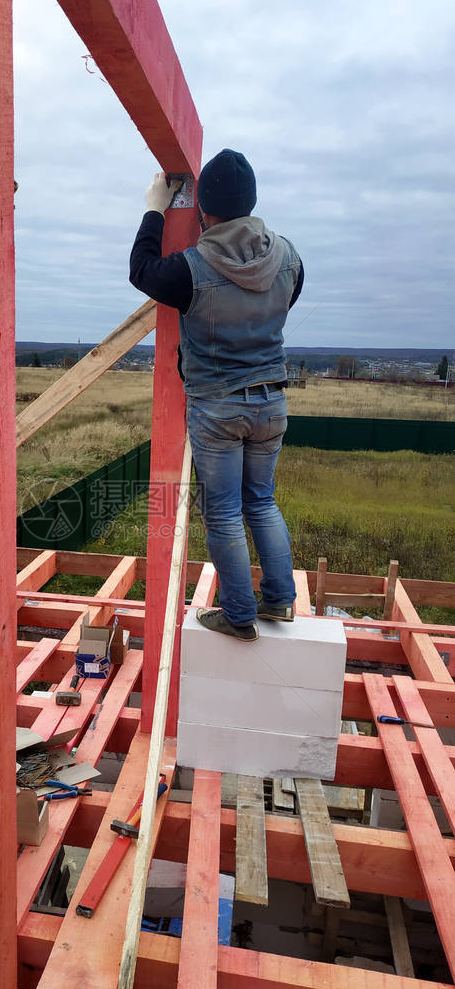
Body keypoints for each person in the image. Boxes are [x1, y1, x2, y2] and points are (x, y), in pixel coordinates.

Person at [129, 148, 304, 641]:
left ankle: (239, 615)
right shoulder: (289, 256)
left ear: (204, 209)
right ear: (252, 203)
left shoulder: (191, 268)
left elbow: (141, 270)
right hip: (271, 402)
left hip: (218, 408)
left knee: (224, 511)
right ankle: (279, 602)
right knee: (262, 502)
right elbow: (287, 296)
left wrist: (153, 208)